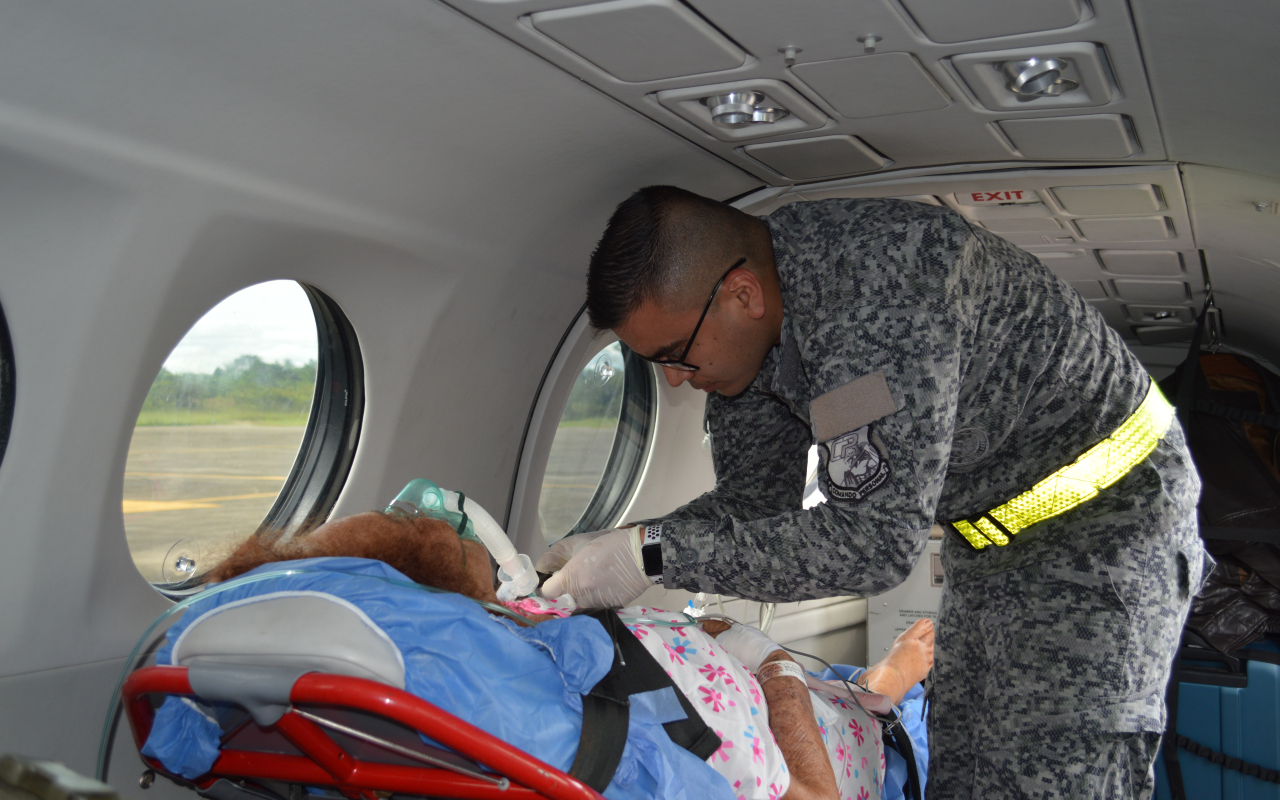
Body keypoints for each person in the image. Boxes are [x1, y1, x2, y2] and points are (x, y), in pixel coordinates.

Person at [537, 187, 1209, 798]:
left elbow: (872, 545)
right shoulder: (744, 345)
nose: (677, 381)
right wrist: (620, 543)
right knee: (969, 764)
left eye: (677, 355)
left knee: (1057, 773)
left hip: (1107, 525)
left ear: (743, 294)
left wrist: (650, 555)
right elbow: (753, 508)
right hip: (992, 538)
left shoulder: (875, 293)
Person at [152, 508, 935, 800]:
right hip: (835, 737)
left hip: (732, 682)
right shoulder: (541, 684)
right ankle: (888, 693)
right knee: (911, 701)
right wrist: (782, 670)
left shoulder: (527, 640)